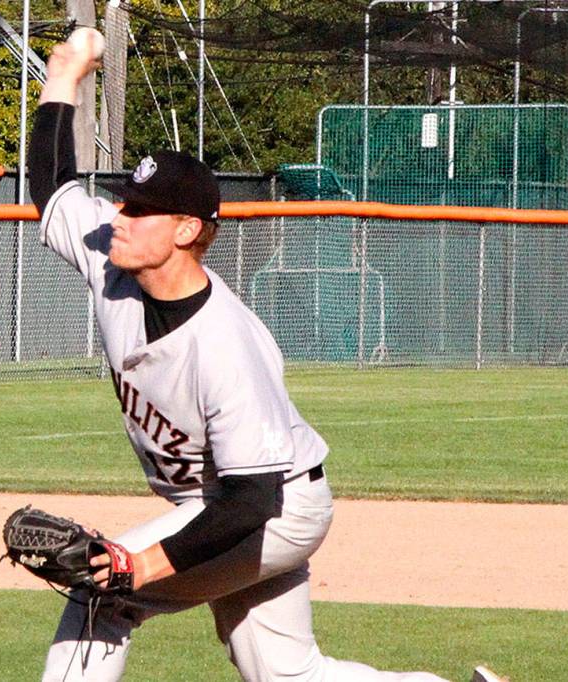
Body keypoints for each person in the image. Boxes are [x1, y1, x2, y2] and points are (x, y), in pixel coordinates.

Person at [27, 39, 479, 682]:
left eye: (141, 210)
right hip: (224, 505)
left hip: (276, 508)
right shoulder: (113, 258)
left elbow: (249, 500)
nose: (120, 217)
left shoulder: (226, 344)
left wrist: (135, 565)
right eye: (124, 201)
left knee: (103, 589)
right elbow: (53, 189)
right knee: (289, 675)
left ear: (186, 230)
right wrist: (64, 75)